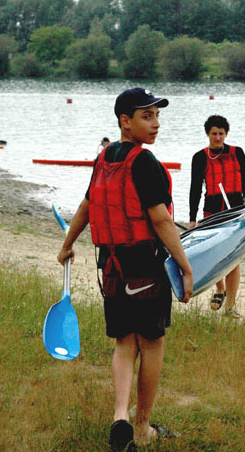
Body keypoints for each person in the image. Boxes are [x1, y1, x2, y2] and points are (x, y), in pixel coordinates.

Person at [56, 87, 193, 451]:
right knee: (151, 343)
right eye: (146, 116)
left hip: (111, 268)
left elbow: (87, 205)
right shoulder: (144, 163)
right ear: (125, 121)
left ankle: (120, 416)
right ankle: (142, 426)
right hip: (145, 266)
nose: (156, 124)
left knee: (123, 343)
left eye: (157, 116)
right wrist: (186, 266)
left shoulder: (105, 158)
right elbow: (162, 221)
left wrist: (68, 244)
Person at [189, 115, 245, 318]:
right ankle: (219, 289)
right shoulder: (200, 157)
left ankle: (230, 307)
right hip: (212, 212)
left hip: (236, 211)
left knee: (233, 259)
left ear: (226, 134)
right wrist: (192, 218)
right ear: (207, 134)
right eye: (214, 134)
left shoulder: (237, 153)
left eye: (221, 134)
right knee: (216, 256)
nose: (217, 138)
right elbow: (195, 190)